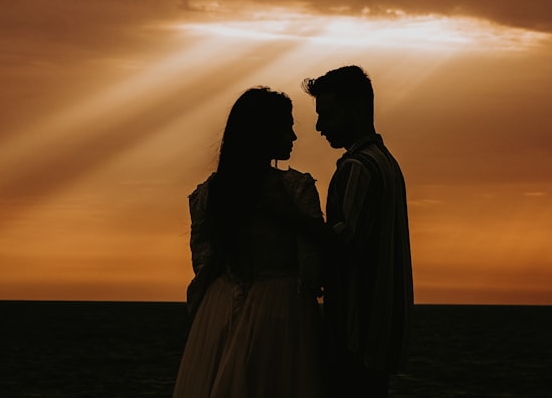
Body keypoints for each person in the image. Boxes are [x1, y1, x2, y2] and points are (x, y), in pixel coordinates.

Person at [172, 87, 326, 398]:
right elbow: (315, 267)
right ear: (265, 132)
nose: (294, 136)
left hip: (221, 304)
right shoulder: (295, 189)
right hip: (282, 308)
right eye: (288, 127)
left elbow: (203, 262)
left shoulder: (210, 194)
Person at [303, 65, 414, 398]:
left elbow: (344, 243)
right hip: (383, 329)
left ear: (358, 109)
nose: (320, 126)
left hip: (355, 331)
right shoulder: (387, 163)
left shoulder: (357, 168)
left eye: (328, 115)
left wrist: (294, 221)